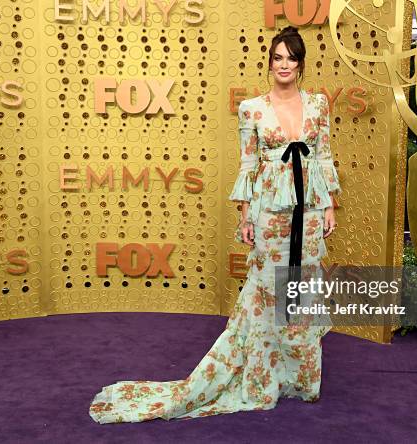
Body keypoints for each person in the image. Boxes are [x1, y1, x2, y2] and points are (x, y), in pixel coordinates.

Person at [88, 26, 341, 424]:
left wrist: (329, 207)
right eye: (278, 57)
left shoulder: (320, 105)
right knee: (267, 295)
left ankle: (303, 378)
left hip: (307, 212)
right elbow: (248, 164)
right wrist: (245, 216)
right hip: (270, 213)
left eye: (292, 58)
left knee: (303, 292)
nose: (284, 65)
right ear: (269, 62)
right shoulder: (252, 109)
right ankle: (262, 379)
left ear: (301, 63)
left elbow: (324, 156)